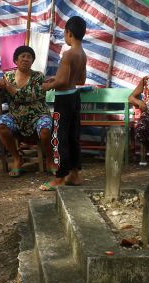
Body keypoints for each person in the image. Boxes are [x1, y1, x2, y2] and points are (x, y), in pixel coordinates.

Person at [40, 16, 87, 191]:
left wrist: (46, 86)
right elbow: (80, 79)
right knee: (73, 137)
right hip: (74, 96)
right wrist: (59, 78)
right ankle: (74, 174)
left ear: (69, 32)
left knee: (59, 138)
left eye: (65, 33)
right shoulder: (82, 54)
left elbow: (60, 82)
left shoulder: (68, 54)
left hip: (64, 100)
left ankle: (59, 177)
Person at [0, 46, 55, 177]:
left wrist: (8, 86)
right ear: (16, 60)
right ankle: (17, 158)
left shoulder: (38, 76)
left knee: (45, 128)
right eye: (23, 56)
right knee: (1, 123)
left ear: (32, 61)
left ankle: (50, 160)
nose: (26, 59)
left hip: (38, 115)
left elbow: (27, 96)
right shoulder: (8, 76)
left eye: (29, 57)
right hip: (16, 117)